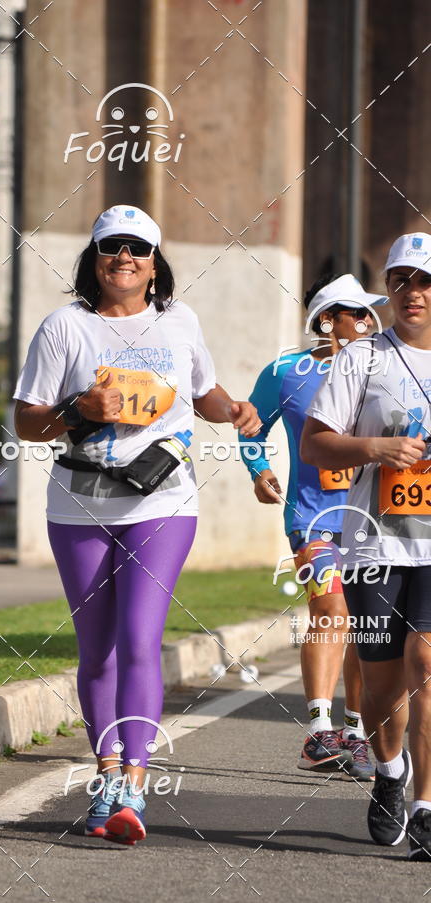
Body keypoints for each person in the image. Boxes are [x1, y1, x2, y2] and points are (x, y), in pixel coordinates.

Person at [13, 204, 261, 845]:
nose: (124, 258)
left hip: (163, 501)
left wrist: (232, 408)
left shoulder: (179, 322)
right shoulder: (64, 328)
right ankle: (104, 775)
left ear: (156, 265)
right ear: (93, 261)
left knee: (141, 639)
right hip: (80, 504)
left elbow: (202, 390)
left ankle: (133, 782)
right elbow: (25, 421)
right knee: (97, 650)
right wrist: (77, 408)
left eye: (138, 249)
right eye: (111, 247)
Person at [301, 233, 431, 860]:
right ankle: (389, 773)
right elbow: (315, 445)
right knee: (382, 688)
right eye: (402, 280)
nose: (415, 292)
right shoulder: (363, 357)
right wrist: (375, 449)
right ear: (389, 290)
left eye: (426, 280)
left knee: (428, 663)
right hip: (374, 542)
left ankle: (429, 806)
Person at [240, 273, 387, 779]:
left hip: (377, 521)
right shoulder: (287, 370)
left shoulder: (389, 368)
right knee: (332, 606)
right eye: (358, 313)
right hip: (312, 518)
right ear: (327, 320)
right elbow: (250, 426)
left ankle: (354, 729)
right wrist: (259, 472)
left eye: (371, 314)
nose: (369, 322)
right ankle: (318, 731)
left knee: (369, 623)